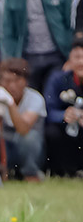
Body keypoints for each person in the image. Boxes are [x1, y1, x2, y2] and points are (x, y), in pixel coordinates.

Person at [0, 58, 46, 181]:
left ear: (25, 81)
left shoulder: (35, 98)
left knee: (30, 138)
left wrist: (10, 104)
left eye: (17, 81)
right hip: (2, 147)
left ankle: (30, 174)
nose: (12, 86)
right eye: (7, 81)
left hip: (27, 150)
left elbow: (23, 129)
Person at [44, 40, 83, 177]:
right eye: (77, 57)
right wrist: (64, 115)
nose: (81, 62)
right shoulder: (58, 79)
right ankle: (61, 172)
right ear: (69, 60)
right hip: (67, 130)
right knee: (51, 132)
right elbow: (48, 110)